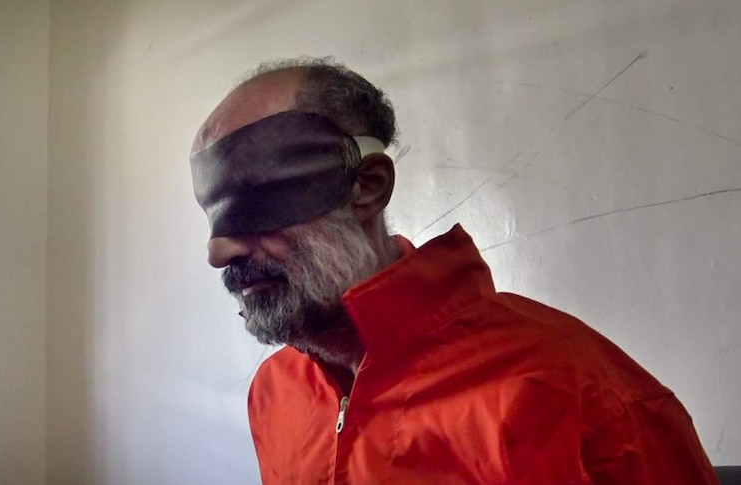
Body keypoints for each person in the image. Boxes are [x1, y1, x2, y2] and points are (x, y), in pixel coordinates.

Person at [189, 57, 718, 484]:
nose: (220, 250)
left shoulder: (577, 397)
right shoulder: (275, 394)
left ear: (367, 186)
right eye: (213, 214)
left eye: (258, 200)